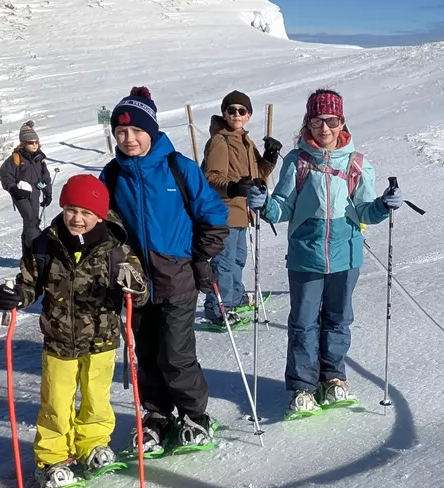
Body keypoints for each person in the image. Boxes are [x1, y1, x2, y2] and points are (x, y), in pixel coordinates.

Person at [249, 88, 403, 416]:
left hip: (347, 255)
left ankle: (333, 378)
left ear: (341, 121)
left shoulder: (358, 164)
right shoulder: (297, 162)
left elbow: (364, 211)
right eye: (317, 120)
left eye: (331, 120)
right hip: (306, 255)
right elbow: (282, 207)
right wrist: (264, 206)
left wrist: (384, 206)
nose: (324, 127)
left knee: (338, 320)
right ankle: (302, 386)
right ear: (308, 122)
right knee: (304, 323)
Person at [0, 174, 148, 488]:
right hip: (59, 340)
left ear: (100, 216)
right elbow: (29, 283)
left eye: (86, 213)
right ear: (63, 207)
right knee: (56, 402)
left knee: (96, 399)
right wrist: (15, 295)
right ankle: (52, 459)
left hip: (101, 341)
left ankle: (92, 444)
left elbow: (141, 289)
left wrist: (132, 284)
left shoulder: (116, 249)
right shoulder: (45, 245)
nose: (77, 218)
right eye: (71, 210)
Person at [101, 86, 229, 454]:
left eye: (137, 131)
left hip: (177, 278)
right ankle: (157, 415)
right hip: (135, 284)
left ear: (152, 131)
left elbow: (214, 217)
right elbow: (101, 228)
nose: (129, 139)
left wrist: (199, 258)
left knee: (176, 354)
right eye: (121, 132)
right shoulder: (111, 176)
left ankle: (194, 415)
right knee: (147, 354)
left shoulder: (179, 167)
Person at [197, 90, 281, 327]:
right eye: (231, 110)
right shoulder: (219, 141)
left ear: (248, 116)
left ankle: (234, 297)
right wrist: (233, 187)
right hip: (223, 211)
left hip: (241, 212)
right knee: (224, 262)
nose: (236, 114)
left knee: (237, 259)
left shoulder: (244, 140)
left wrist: (269, 157)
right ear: (224, 113)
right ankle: (217, 309)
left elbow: (257, 175)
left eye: (241, 111)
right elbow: (211, 177)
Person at [0, 121, 54, 247]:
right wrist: (13, 189)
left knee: (32, 222)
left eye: (36, 142)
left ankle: (27, 252)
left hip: (35, 194)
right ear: (23, 143)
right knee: (30, 220)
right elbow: (5, 175)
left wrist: (48, 194)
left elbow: (45, 178)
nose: (34, 145)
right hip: (20, 194)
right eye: (30, 142)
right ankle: (35, 249)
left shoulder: (39, 158)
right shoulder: (16, 158)